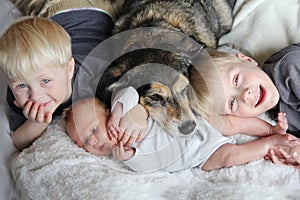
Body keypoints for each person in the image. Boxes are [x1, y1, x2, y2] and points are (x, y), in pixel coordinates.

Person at [64, 86, 299, 172]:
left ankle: (271, 130)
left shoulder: (122, 111)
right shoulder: (125, 152)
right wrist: (130, 158)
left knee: (230, 122)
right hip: (200, 155)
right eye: (85, 142)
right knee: (229, 157)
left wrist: (119, 111)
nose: (93, 141)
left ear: (106, 112)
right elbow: (152, 166)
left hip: (197, 123)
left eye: (93, 129)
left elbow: (129, 92)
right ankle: (268, 143)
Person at [0, 0, 121, 150]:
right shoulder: (19, 85)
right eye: (22, 86)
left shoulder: (95, 75)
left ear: (69, 69)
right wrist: (38, 122)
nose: (36, 96)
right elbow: (19, 141)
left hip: (73, 7)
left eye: (45, 80)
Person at [189, 48, 300, 165]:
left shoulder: (290, 67)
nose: (245, 95)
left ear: (248, 60)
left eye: (236, 80)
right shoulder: (276, 118)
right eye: (232, 103)